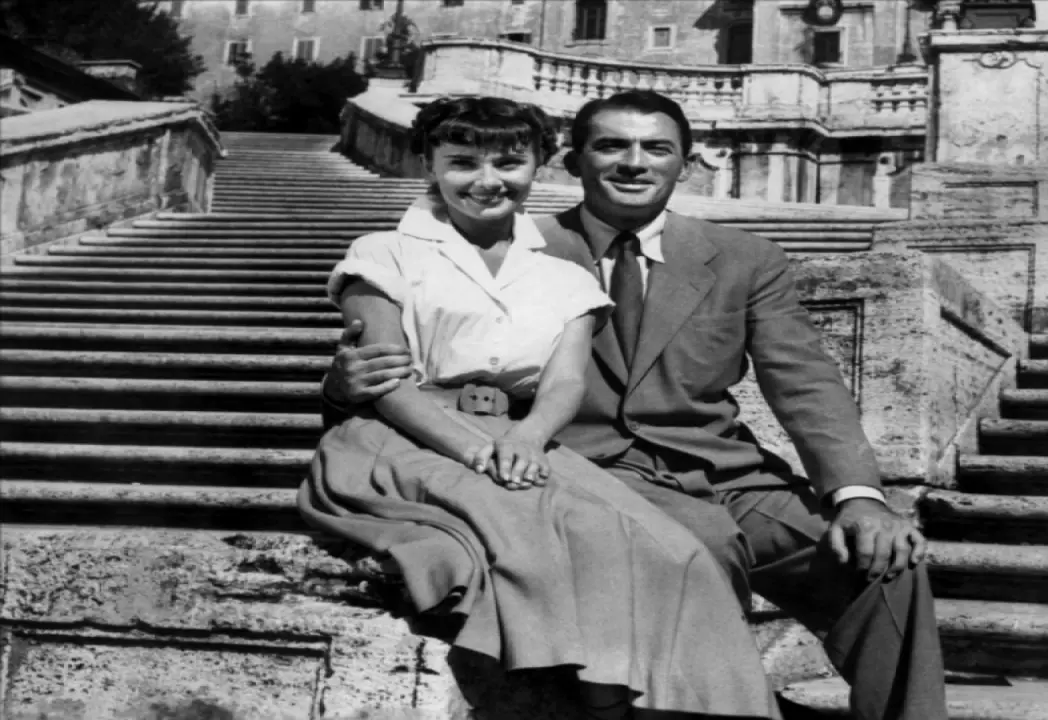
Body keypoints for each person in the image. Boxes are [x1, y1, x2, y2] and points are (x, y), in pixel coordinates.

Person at [326, 90, 948, 720]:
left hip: (729, 473)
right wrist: (344, 384)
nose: (633, 162)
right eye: (611, 146)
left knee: (886, 563)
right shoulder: (517, 249)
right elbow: (443, 362)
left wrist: (859, 497)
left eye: (656, 148)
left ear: (686, 163)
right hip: (593, 469)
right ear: (574, 161)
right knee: (701, 549)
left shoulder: (746, 257)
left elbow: (806, 381)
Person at [299, 95, 782, 720]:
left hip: (517, 439)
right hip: (404, 437)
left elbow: (563, 384)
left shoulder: (563, 276)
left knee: (676, 549)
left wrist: (527, 438)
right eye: (462, 162)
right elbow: (387, 383)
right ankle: (611, 705)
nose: (487, 180)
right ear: (428, 165)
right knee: (569, 538)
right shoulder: (383, 252)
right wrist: (475, 450)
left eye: (508, 162)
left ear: (538, 166)